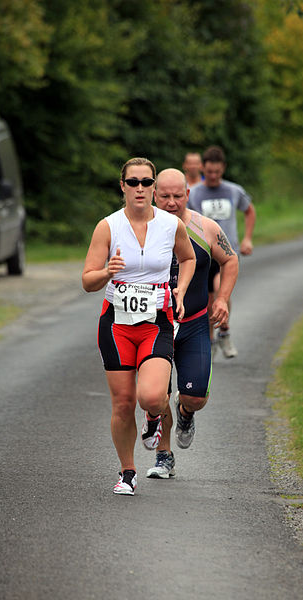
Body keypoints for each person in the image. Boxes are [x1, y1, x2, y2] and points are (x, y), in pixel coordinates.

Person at [82, 158, 196, 496]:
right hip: (116, 325)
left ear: (154, 187)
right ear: (123, 186)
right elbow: (87, 280)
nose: (140, 189)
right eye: (133, 182)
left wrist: (180, 289)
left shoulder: (170, 225)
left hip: (156, 322)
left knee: (151, 396)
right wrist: (107, 272)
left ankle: (154, 416)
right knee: (122, 402)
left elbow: (188, 258)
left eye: (147, 182)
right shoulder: (108, 226)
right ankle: (127, 471)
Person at [147, 168, 239, 478]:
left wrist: (223, 298)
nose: (171, 202)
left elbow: (230, 260)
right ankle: (164, 455)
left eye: (177, 196)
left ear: (188, 194)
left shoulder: (205, 227)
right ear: (153, 194)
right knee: (156, 396)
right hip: (154, 325)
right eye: (165, 196)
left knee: (195, 396)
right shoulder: (140, 229)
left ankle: (185, 412)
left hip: (195, 323)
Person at [188, 145, 256, 358]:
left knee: (220, 291)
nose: (214, 176)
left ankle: (224, 331)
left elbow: (249, 210)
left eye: (217, 172)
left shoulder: (233, 190)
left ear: (223, 168)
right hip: (203, 255)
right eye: (209, 172)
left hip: (227, 253)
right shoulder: (195, 193)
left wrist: (247, 238)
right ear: (202, 169)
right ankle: (210, 341)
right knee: (207, 301)